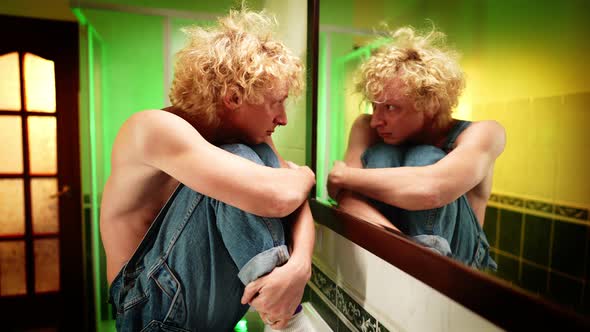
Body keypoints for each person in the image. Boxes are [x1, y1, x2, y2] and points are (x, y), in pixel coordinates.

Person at [100, 8, 316, 331]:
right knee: (242, 159)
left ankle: (281, 307)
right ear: (233, 97)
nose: (283, 118)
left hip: (201, 305)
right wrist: (306, 175)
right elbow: (281, 195)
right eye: (276, 103)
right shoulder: (152, 129)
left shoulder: (249, 137)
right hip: (148, 308)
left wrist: (300, 266)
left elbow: (294, 202)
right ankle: (285, 317)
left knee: (252, 159)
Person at [327, 26, 505, 270]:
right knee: (383, 153)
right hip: (399, 249)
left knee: (426, 156)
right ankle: (417, 257)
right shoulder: (367, 127)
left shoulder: (483, 133)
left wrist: (345, 176)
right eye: (374, 105)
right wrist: (404, 249)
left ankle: (425, 256)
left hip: (461, 261)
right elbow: (347, 201)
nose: (377, 120)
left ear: (430, 103)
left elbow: (431, 190)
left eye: (390, 107)